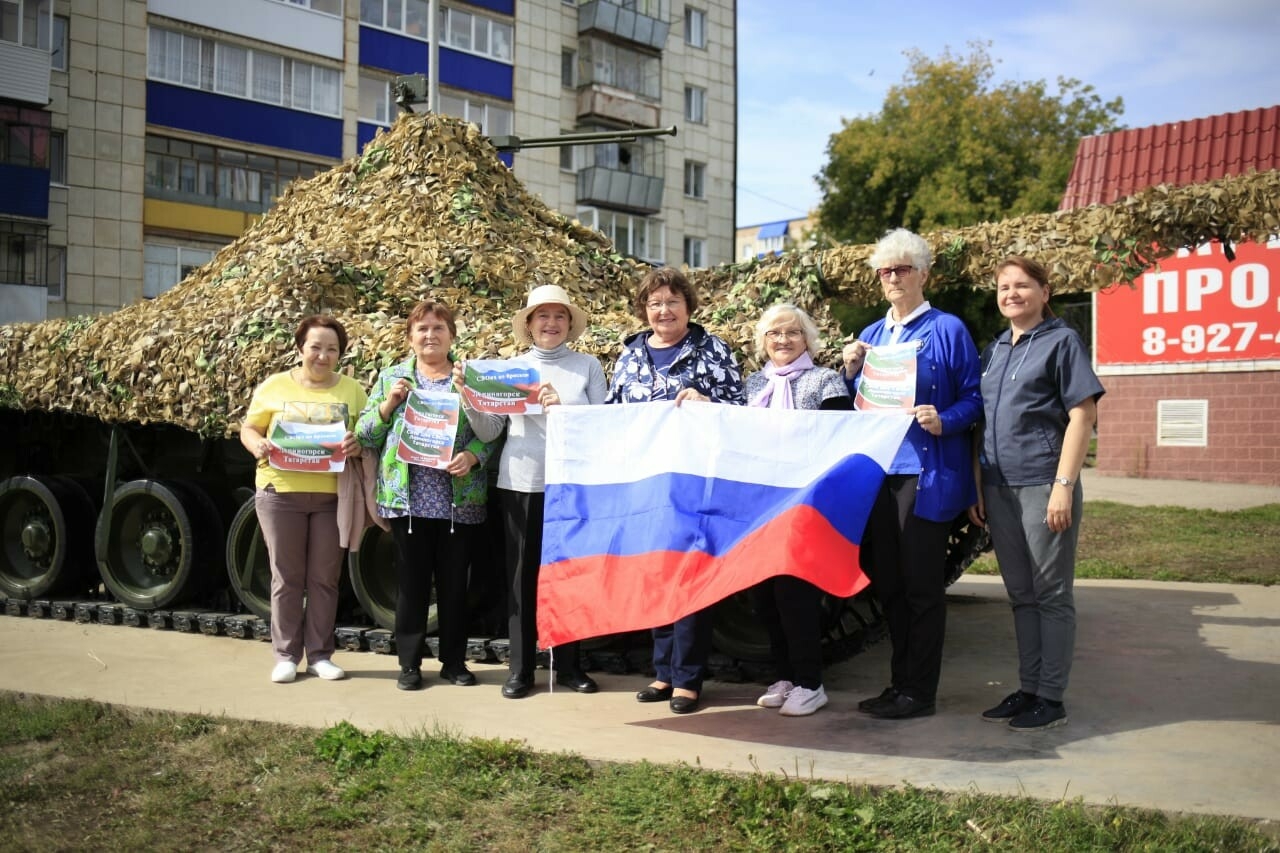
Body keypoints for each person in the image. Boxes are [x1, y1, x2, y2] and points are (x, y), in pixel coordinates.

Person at [841, 228, 982, 720]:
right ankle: (898, 684)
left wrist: (946, 420)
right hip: (880, 477)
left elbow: (974, 399)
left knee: (921, 587)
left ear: (923, 274)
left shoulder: (948, 329)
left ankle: (919, 692)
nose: (894, 278)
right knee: (890, 586)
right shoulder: (873, 335)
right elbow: (860, 403)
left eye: (903, 269)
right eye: (886, 271)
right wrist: (850, 370)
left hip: (926, 474)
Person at [968, 256, 1104, 731]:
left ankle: (1051, 697)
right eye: (1003, 287)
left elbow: (1081, 416)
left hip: (1043, 484)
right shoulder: (994, 350)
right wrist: (979, 484)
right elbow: (982, 423)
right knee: (1021, 595)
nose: (1011, 294)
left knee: (1051, 594)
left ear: (1045, 292)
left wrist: (1063, 487)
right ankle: (1027, 688)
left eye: (1022, 285)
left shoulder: (1062, 342)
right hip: (999, 487)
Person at [456, 284, 607, 699]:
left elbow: (603, 428)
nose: (551, 324)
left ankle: (571, 665)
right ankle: (520, 669)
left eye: (559, 316)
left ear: (570, 324)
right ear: (528, 324)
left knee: (570, 574)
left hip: (572, 484)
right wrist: (471, 398)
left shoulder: (587, 367)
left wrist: (565, 407)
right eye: (543, 316)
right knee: (522, 578)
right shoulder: (510, 368)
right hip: (521, 483)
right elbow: (491, 431)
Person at [606, 266, 745, 714]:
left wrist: (709, 404)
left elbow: (741, 410)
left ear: (688, 306)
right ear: (644, 310)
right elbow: (611, 414)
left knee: (689, 578)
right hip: (646, 486)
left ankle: (689, 679)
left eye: (672, 301)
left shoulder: (712, 350)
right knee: (656, 576)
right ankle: (663, 672)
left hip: (695, 485)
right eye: (654, 303)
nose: (663, 310)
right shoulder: (629, 357)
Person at [355, 300, 497, 692]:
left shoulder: (468, 377)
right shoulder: (392, 378)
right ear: (410, 338)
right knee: (412, 586)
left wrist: (472, 456)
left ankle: (454, 662)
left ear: (452, 335)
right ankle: (409, 665)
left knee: (454, 587)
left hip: (458, 502)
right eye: (422, 329)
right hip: (410, 503)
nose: (430, 335)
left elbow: (494, 435)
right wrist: (389, 405)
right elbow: (365, 434)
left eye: (439, 328)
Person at [240, 315, 367, 685]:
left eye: (332, 349)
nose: (323, 356)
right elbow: (249, 428)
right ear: (300, 349)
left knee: (325, 578)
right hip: (280, 493)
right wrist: (257, 444)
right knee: (287, 578)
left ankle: (321, 655)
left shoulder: (353, 391)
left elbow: (363, 436)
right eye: (316, 347)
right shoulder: (274, 386)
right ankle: (285, 655)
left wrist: (356, 445)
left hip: (332, 497)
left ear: (340, 354)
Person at [744, 303, 850, 717]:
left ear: (807, 338)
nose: (783, 341)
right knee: (765, 597)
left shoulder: (827, 382)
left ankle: (811, 682)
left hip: (806, 505)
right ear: (763, 342)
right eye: (774, 334)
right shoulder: (753, 384)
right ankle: (785, 676)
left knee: (796, 596)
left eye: (791, 333)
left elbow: (838, 440)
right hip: (761, 506)